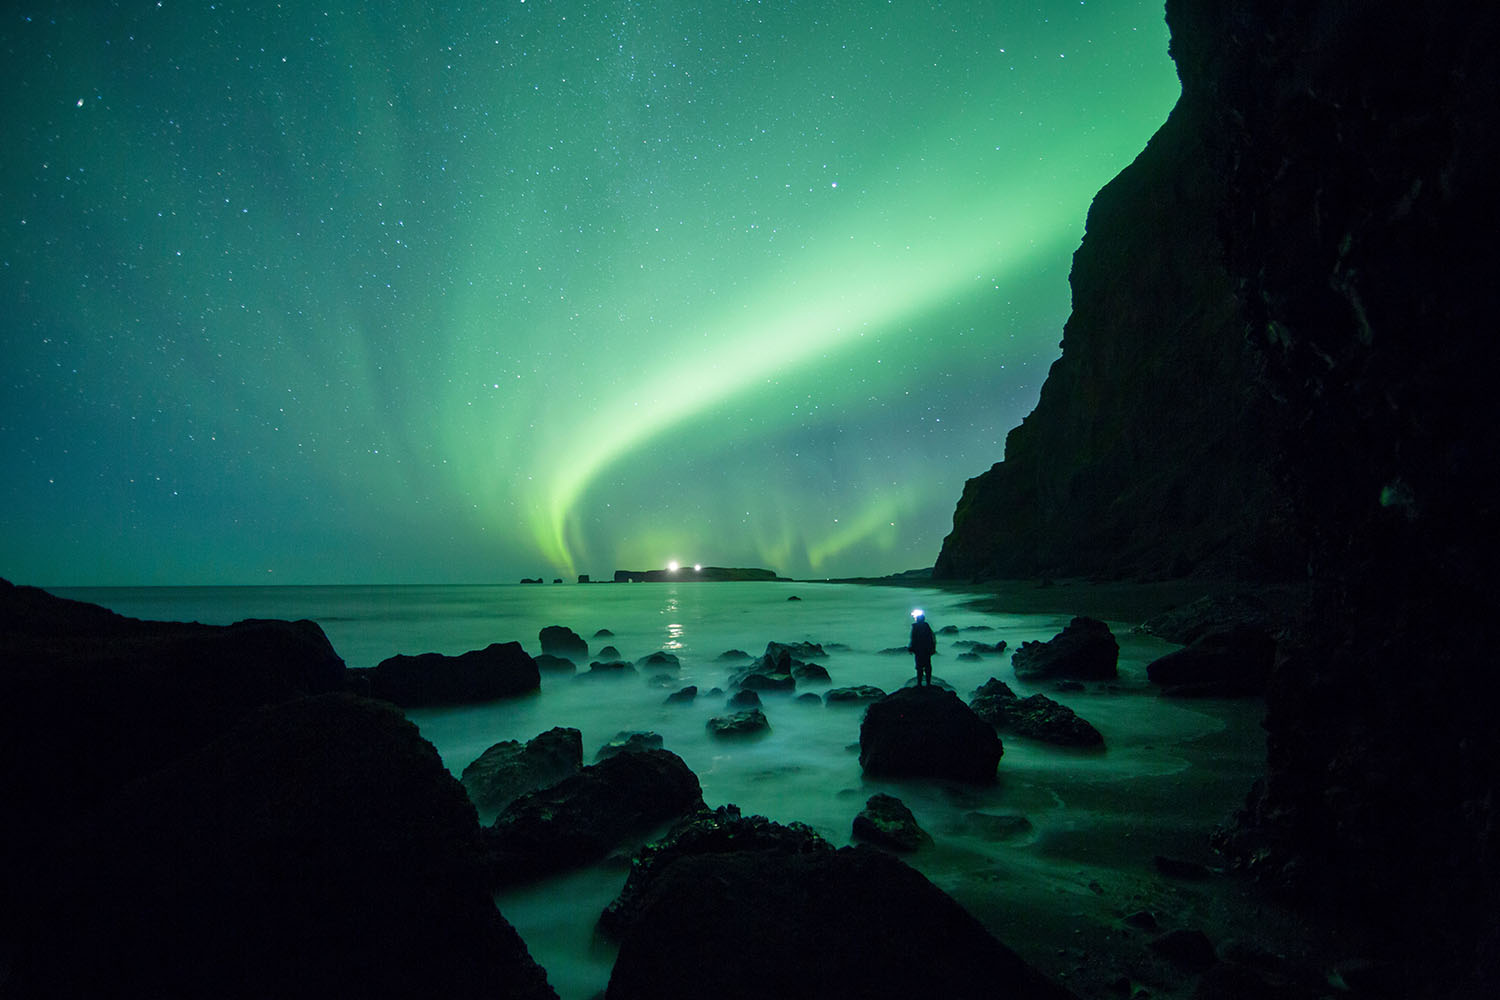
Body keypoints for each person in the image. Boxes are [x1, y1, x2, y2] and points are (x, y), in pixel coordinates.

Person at [909, 609, 936, 686]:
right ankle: (927, 683)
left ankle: (920, 683)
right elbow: (931, 638)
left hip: (919, 650)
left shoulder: (915, 627)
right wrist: (932, 648)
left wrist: (911, 647)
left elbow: (913, 639)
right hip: (925, 650)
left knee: (920, 667)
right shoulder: (926, 627)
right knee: (926, 666)